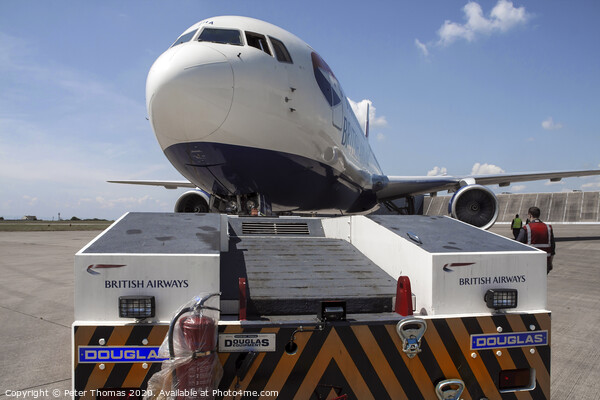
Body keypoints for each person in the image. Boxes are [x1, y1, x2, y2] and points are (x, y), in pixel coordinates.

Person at [517, 206, 555, 273]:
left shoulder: (526, 228)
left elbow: (517, 245)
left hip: (530, 262)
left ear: (530, 215)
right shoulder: (548, 227)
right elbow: (552, 247)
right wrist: (550, 262)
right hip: (545, 262)